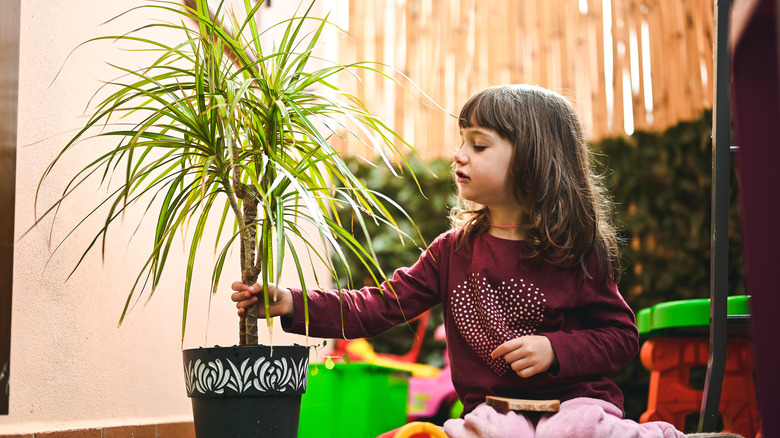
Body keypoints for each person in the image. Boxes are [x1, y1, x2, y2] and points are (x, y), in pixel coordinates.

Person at [231, 84, 683, 437]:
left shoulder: (576, 250)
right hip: (495, 411)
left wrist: (555, 350)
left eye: (479, 145)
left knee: (577, 431)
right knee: (482, 432)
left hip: (575, 404)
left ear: (533, 160)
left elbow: (621, 337)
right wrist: (293, 302)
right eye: (461, 141)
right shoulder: (453, 251)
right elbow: (380, 305)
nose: (459, 155)